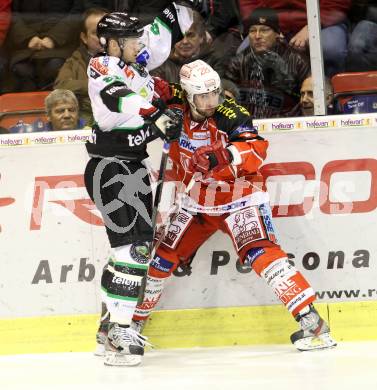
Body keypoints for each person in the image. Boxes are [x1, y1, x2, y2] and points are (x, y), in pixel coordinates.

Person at [128, 59, 337, 352]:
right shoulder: (175, 101)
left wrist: (224, 156)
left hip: (239, 198)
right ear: (188, 95)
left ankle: (312, 322)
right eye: (203, 96)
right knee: (163, 255)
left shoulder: (231, 113)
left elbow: (256, 148)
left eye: (214, 93)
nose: (211, 101)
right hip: (197, 202)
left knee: (262, 254)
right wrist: (138, 73)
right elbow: (144, 90)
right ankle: (133, 325)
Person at [84, 2, 196, 366]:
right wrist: (156, 115)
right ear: (111, 43)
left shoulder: (138, 67)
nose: (137, 44)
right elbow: (116, 95)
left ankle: (108, 330)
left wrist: (184, 7)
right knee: (134, 252)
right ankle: (119, 332)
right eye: (130, 39)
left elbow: (161, 36)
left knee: (128, 252)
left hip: (131, 167)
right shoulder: (102, 65)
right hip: (110, 168)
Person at [224, 7, 310, 119]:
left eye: (264, 30)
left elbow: (308, 99)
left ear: (277, 34)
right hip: (248, 125)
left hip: (287, 126)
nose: (257, 36)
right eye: (252, 31)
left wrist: (283, 75)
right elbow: (227, 101)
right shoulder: (238, 62)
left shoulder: (297, 61)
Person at [54, 7, 109, 126]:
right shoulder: (74, 61)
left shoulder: (128, 57)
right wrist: (96, 84)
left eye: (105, 31)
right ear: (84, 38)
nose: (102, 38)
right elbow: (60, 86)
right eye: (95, 33)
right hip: (87, 122)